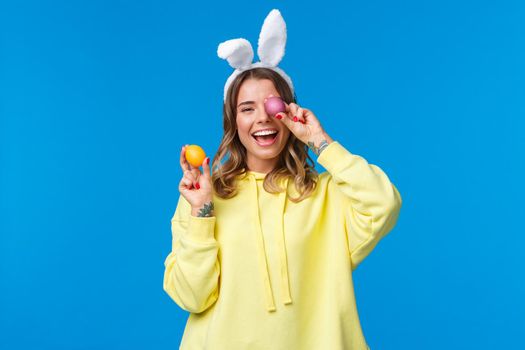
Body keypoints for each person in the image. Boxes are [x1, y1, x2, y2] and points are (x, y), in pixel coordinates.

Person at [163, 9, 402, 350]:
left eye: (271, 104)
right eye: (247, 108)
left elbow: (385, 203)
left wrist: (321, 142)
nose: (262, 117)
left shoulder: (325, 196)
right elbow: (192, 297)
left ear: (288, 113)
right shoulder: (204, 197)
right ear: (234, 122)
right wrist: (202, 214)